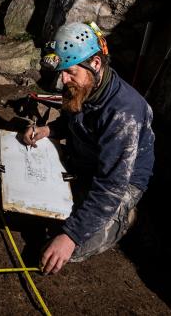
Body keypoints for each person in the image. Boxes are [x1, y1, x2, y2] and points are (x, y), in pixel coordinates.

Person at [21, 21, 154, 274]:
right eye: (62, 72)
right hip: (88, 163)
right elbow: (72, 120)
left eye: (69, 72)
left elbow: (112, 184)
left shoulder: (123, 113)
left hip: (121, 182)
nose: (63, 80)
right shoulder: (84, 85)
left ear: (95, 64)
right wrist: (47, 130)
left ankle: (129, 216)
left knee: (70, 250)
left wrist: (70, 237)